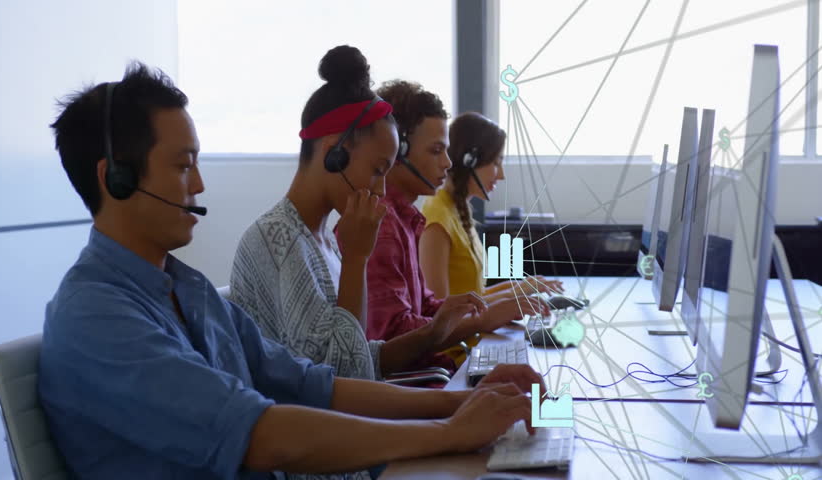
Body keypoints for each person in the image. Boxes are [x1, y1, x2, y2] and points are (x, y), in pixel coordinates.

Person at [38, 61, 545, 480]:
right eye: (182, 165)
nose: (199, 185)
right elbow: (263, 436)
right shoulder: (96, 316)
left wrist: (461, 405)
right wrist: (448, 432)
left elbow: (315, 384)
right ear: (117, 179)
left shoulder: (187, 291)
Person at [229, 45, 485, 381]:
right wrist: (356, 260)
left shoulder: (322, 240)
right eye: (378, 170)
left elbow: (361, 357)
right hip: (317, 429)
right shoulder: (277, 239)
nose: (381, 190)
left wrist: (434, 332)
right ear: (334, 151)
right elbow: (339, 376)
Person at [343, 80, 548, 365]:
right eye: (436, 151)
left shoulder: (406, 219)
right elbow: (392, 337)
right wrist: (484, 318)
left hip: (433, 372)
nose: (448, 164)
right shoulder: (382, 225)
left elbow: (428, 308)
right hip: (419, 385)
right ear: (397, 150)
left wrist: (487, 308)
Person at [419, 111, 564, 300]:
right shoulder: (438, 220)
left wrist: (522, 287)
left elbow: (471, 295)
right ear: (469, 161)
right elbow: (439, 311)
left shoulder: (457, 210)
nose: (501, 175)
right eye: (496, 163)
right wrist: (513, 294)